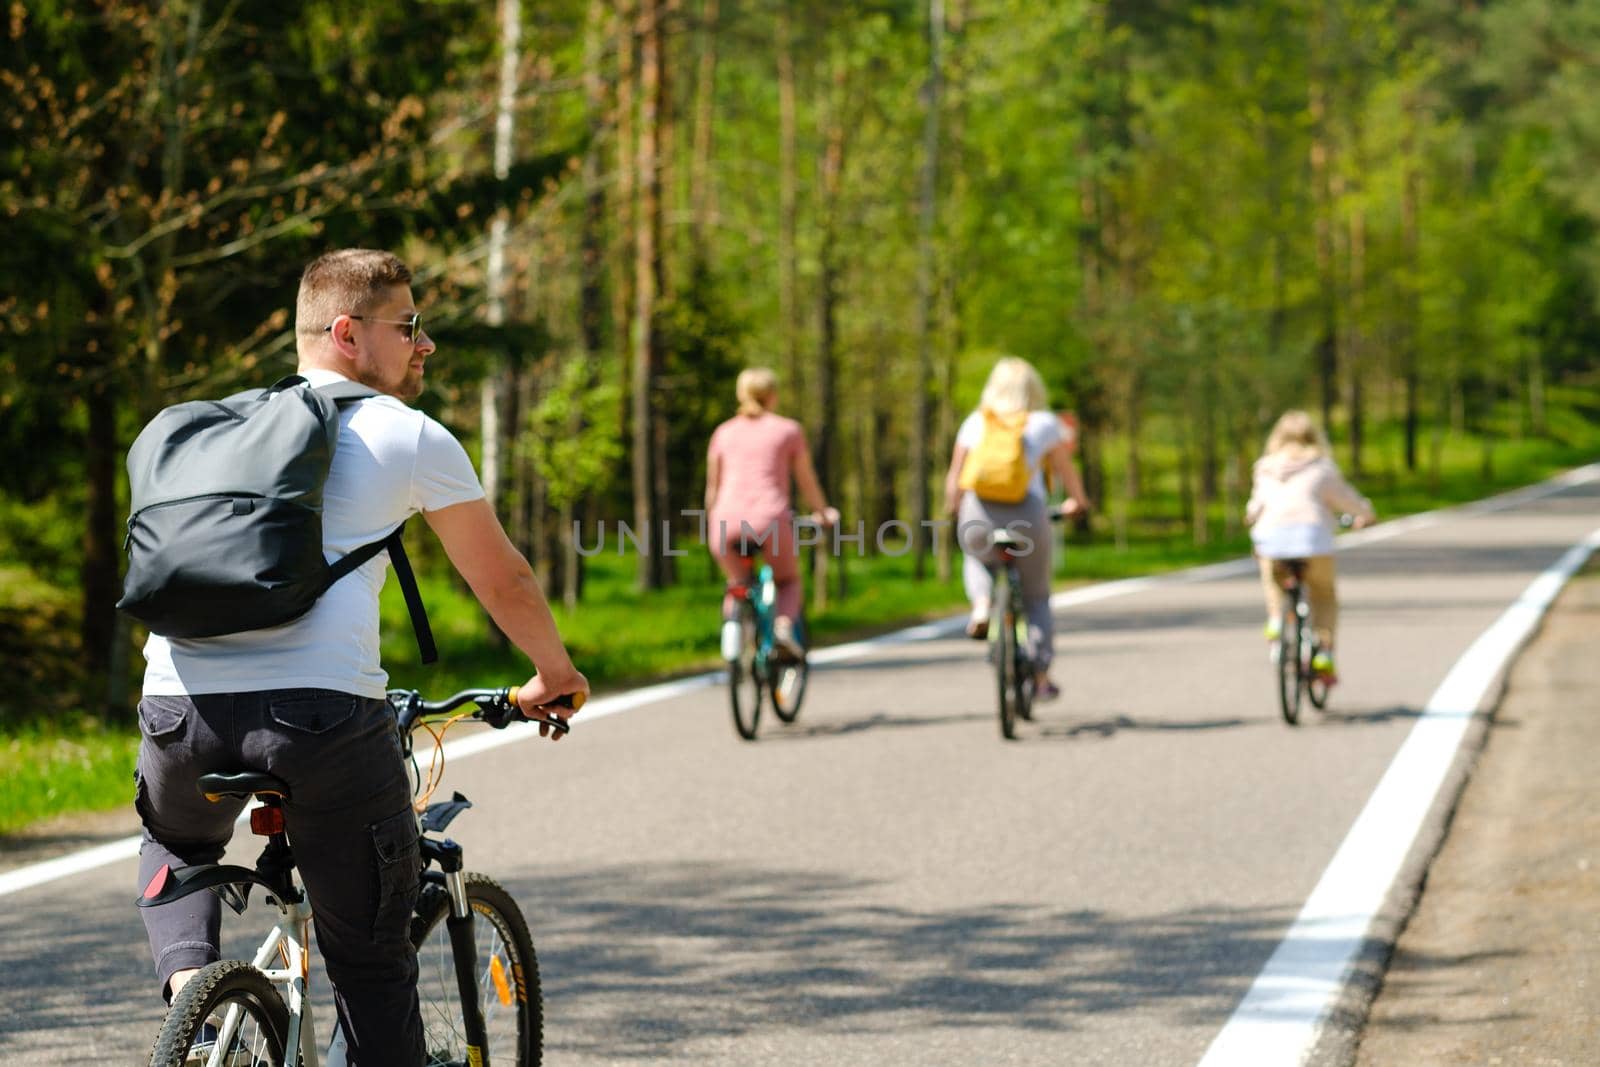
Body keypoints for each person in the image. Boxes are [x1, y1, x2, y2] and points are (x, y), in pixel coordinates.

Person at [133, 249, 589, 1066]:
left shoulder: (216, 425)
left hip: (176, 709)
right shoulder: (406, 434)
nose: (426, 344)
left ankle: (194, 1006)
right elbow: (506, 579)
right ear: (348, 333)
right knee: (372, 964)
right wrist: (554, 674)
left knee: (174, 838)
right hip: (320, 721)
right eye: (408, 326)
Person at [943, 356, 1090, 702]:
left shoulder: (975, 422)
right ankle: (1040, 677)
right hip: (1028, 514)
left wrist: (954, 508)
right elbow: (1067, 474)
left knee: (976, 559)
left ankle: (981, 606)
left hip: (978, 511)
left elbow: (955, 479)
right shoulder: (1044, 423)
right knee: (1036, 596)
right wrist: (1078, 503)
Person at [704, 367, 839, 658]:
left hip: (725, 523)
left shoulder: (723, 433)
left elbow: (712, 489)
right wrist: (823, 512)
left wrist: (711, 524)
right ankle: (782, 629)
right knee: (788, 581)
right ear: (773, 396)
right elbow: (806, 481)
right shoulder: (787, 430)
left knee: (739, 583)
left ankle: (735, 628)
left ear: (741, 395)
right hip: (770, 521)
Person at [1245, 409, 1374, 682]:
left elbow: (1255, 506)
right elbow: (1346, 500)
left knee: (1273, 583)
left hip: (1271, 539)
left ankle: (1276, 621)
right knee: (1324, 594)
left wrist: (1251, 519)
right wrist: (1365, 514)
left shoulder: (1265, 467)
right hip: (1313, 541)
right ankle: (1325, 652)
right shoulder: (1321, 467)